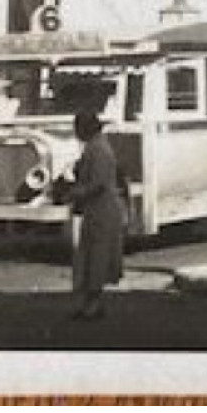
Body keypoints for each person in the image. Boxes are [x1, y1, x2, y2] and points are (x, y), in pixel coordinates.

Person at [68, 110, 125, 321]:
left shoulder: (99, 149)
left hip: (103, 209)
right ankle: (88, 304)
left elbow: (99, 183)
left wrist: (76, 193)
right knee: (90, 256)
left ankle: (93, 304)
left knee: (97, 257)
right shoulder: (94, 147)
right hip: (95, 209)